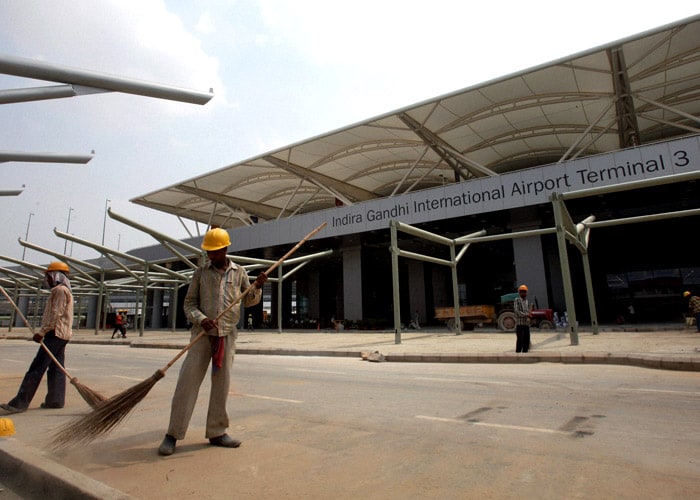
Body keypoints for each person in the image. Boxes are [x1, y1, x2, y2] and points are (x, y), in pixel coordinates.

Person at [158, 228, 267, 456]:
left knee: (222, 385)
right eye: (208, 252)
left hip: (227, 335)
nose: (211, 256)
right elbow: (189, 304)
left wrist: (257, 287)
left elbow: (249, 301)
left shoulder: (239, 273)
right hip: (202, 335)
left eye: (214, 252)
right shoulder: (200, 273)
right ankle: (173, 434)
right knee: (186, 384)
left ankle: (217, 432)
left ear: (225, 249)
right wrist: (202, 319)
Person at [0, 262, 74, 414]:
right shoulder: (64, 290)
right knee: (56, 368)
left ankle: (19, 403)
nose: (47, 279)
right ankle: (55, 400)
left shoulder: (59, 290)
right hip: (62, 335)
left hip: (55, 333)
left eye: (48, 276)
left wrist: (42, 332)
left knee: (37, 367)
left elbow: (56, 315)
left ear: (55, 276)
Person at [513, 284, 532, 353]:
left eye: (524, 291)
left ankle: (525, 353)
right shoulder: (517, 300)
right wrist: (526, 315)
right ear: (519, 293)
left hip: (526, 324)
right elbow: (517, 311)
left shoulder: (526, 301)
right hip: (520, 324)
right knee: (520, 340)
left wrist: (529, 316)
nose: (523, 293)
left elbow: (527, 311)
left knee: (526, 340)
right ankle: (518, 354)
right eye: (522, 291)